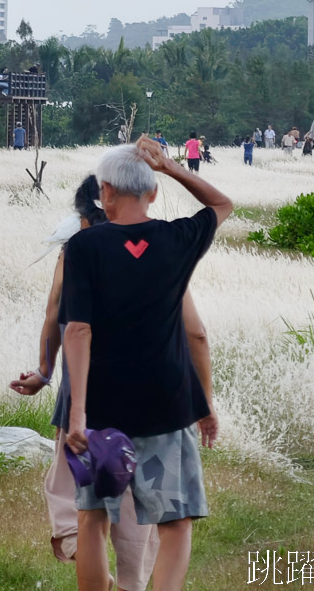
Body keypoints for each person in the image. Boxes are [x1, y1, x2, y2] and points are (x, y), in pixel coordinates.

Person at [11, 172, 219, 591]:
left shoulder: (78, 252)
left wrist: (45, 374)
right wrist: (205, 401)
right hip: (158, 405)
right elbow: (196, 333)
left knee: (85, 513)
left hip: (87, 403)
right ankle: (131, 584)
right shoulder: (163, 254)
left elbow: (58, 318)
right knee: (152, 520)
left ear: (89, 213)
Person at [62, 136, 232, 591]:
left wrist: (77, 413)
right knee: (174, 523)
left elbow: (78, 331)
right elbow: (222, 203)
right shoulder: (178, 239)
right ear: (153, 192)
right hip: (167, 404)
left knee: (92, 519)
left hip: (101, 409)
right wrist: (173, 168)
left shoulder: (84, 247)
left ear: (105, 191)